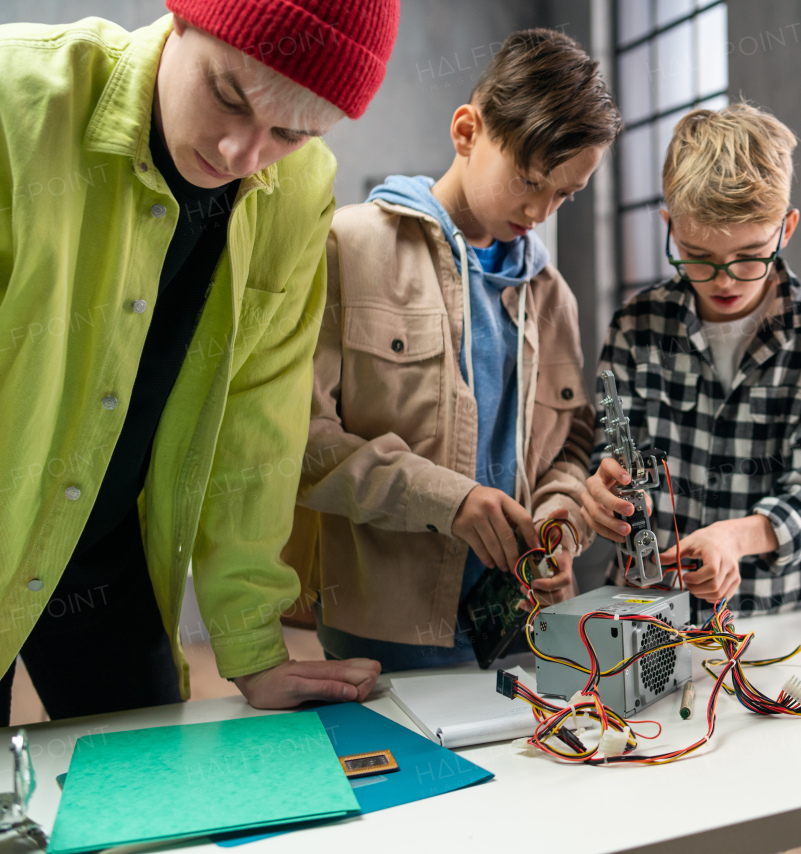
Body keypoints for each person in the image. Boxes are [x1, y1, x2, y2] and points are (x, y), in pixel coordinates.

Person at [0, 0, 400, 721]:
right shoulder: (15, 98)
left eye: (288, 132)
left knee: (150, 804)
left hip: (105, 550)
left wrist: (255, 645)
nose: (239, 156)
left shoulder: (299, 190)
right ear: (182, 19)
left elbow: (259, 421)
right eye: (227, 96)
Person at [283, 29, 621, 668]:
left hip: (523, 622)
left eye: (565, 194)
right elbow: (299, 439)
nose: (543, 210)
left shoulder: (552, 296)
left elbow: (571, 446)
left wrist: (558, 523)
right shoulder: (347, 246)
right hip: (384, 626)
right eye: (529, 180)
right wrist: (448, 501)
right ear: (467, 132)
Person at [579, 103, 801, 622]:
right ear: (669, 227)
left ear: (786, 228)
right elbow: (607, 451)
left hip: (778, 618)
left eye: (750, 256)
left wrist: (735, 537)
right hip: (647, 614)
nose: (725, 280)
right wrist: (599, 489)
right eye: (698, 257)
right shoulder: (637, 326)